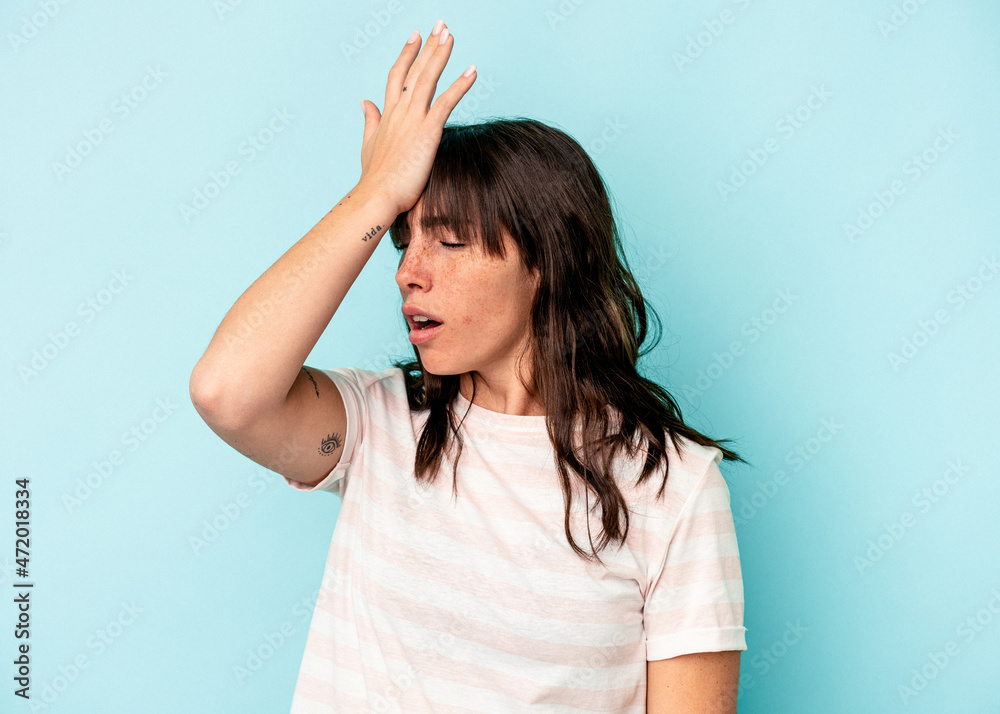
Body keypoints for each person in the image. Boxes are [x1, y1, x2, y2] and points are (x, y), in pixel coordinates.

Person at [190, 17, 748, 713]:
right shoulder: (375, 424)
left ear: (545, 262)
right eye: (402, 241)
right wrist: (375, 194)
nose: (408, 274)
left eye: (449, 241)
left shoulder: (672, 483)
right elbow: (225, 391)